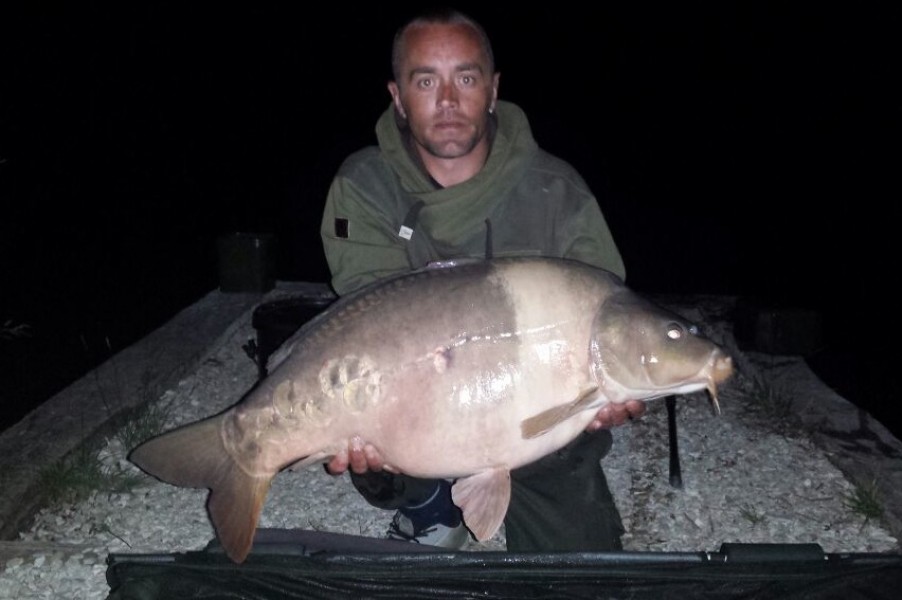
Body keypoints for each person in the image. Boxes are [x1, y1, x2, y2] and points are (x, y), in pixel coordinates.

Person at [318, 7, 646, 552]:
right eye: (426, 81)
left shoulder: (557, 193)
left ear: (493, 91)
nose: (448, 101)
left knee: (585, 571)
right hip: (414, 406)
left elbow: (610, 319)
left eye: (465, 78)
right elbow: (363, 323)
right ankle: (427, 507)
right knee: (371, 439)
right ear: (398, 97)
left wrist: (610, 390)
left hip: (534, 425)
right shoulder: (364, 186)